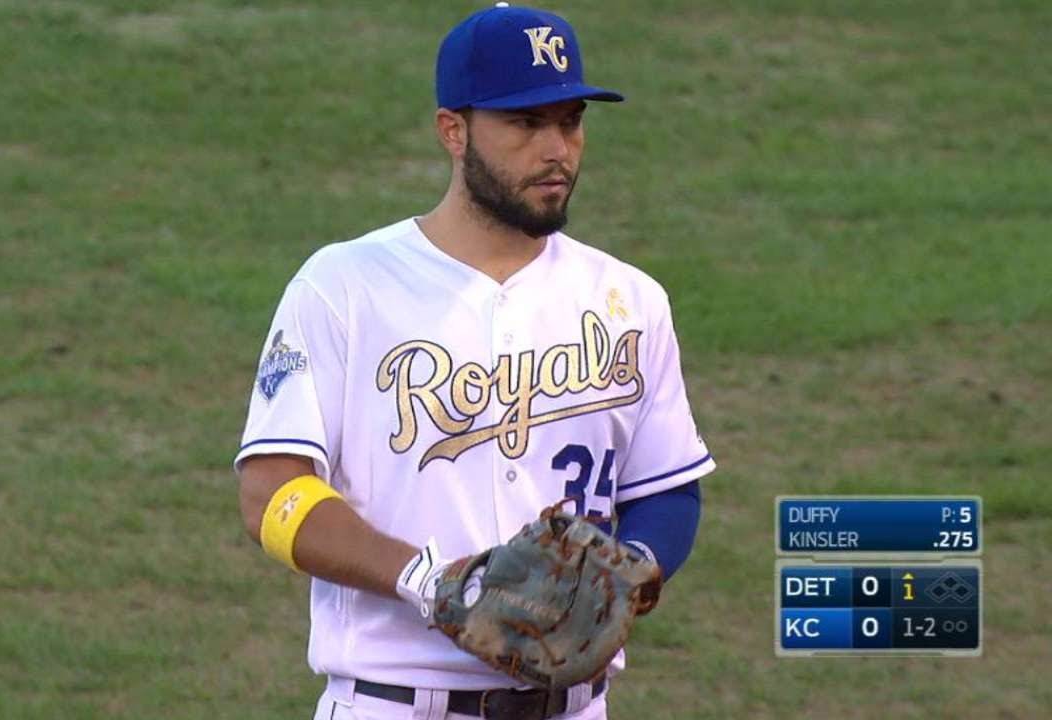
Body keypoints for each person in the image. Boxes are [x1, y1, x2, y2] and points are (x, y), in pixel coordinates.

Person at [235, 4, 714, 718]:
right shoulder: (344, 287)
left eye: (570, 120)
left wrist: (633, 569)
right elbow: (270, 492)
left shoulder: (629, 299)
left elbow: (668, 487)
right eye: (526, 124)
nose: (557, 149)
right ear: (452, 131)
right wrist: (429, 581)